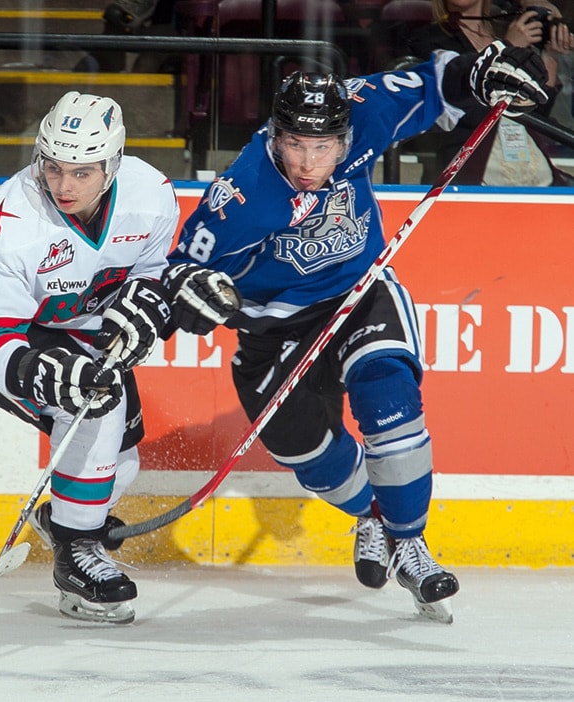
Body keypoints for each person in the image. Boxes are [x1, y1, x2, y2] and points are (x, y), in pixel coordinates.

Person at [161, 43, 549, 621]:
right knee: (309, 456)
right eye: (295, 144)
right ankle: (372, 516)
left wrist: (482, 73)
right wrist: (189, 293)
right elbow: (183, 270)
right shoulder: (243, 195)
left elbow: (435, 82)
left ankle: (409, 542)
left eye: (323, 148)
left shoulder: (360, 110)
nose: (308, 162)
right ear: (276, 136)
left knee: (388, 397)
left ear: (344, 138)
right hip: (272, 330)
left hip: (358, 294)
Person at [0, 91, 180, 624]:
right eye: (53, 167)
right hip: (3, 335)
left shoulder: (152, 194)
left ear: (112, 166)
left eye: (83, 172)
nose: (64, 185)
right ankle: (76, 553)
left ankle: (66, 521)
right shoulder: (6, 221)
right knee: (95, 402)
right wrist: (36, 372)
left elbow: (152, 274)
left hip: (83, 329)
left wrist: (147, 306)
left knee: (120, 460)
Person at [408, 0, 574, 185]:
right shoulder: (427, 39)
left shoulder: (509, 28)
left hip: (530, 166)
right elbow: (449, 106)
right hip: (468, 169)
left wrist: (550, 56)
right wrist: (508, 46)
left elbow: (536, 112)